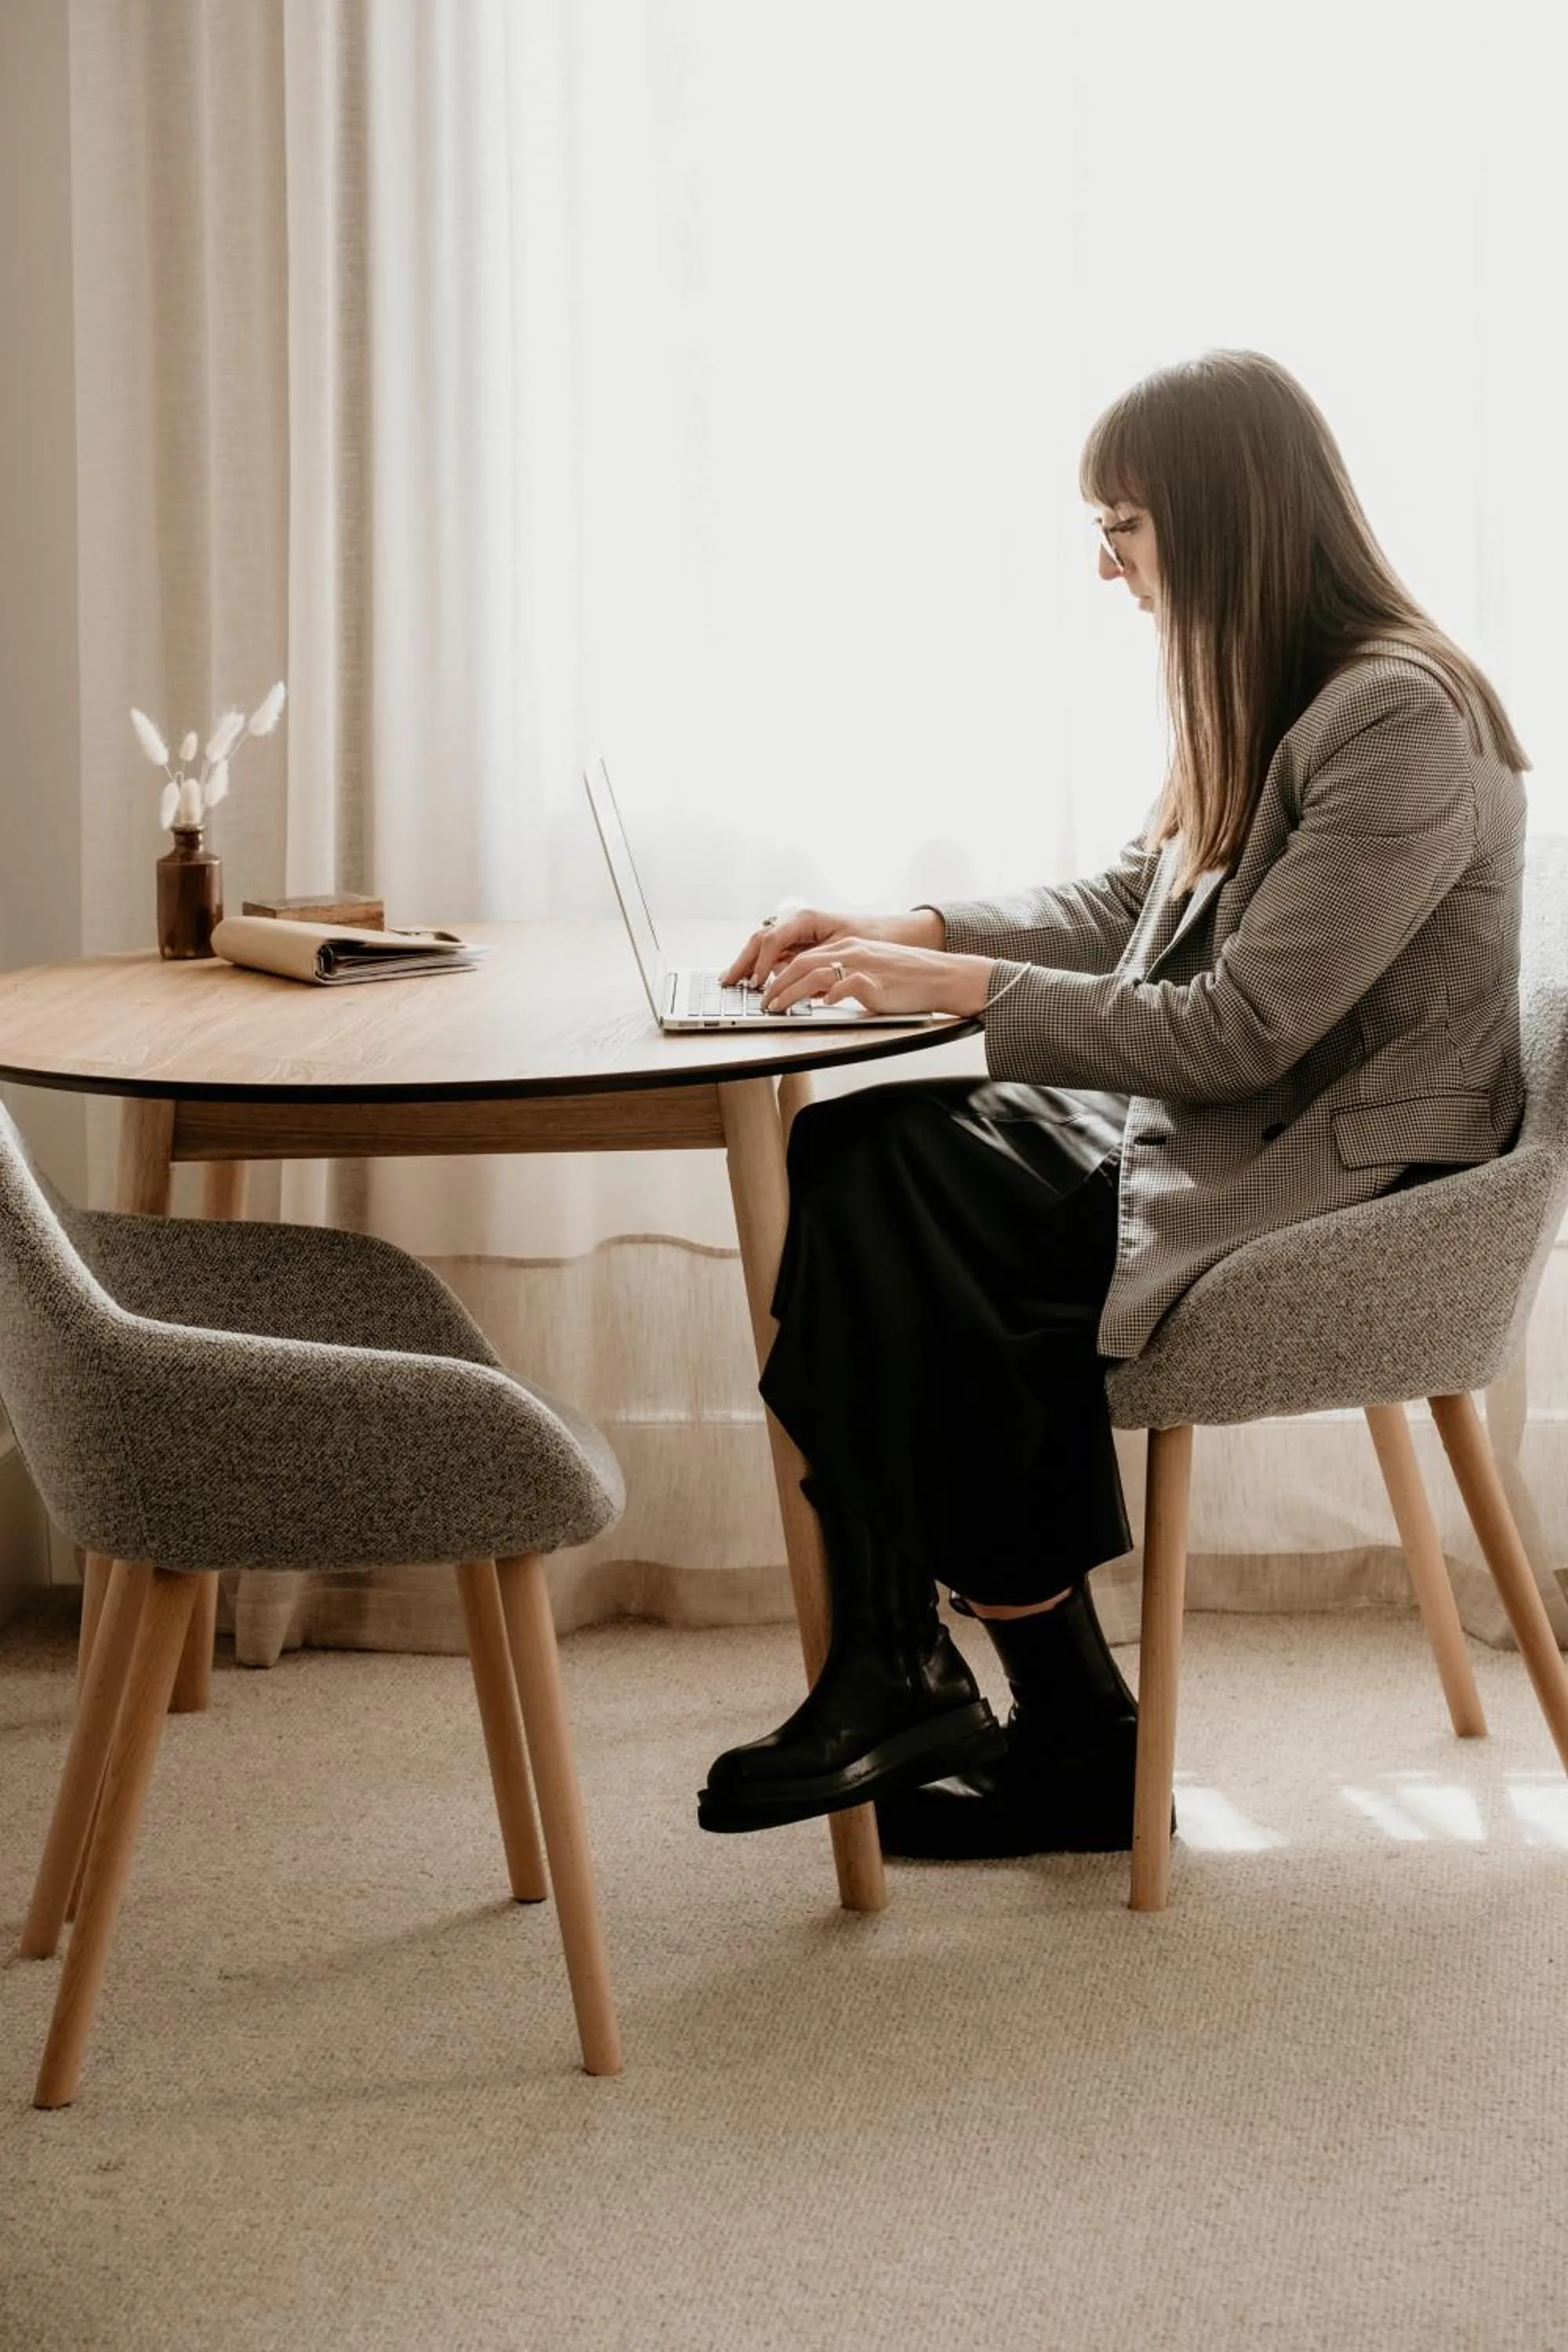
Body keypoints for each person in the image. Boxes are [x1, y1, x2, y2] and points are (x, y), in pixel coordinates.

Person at [696, 349, 1530, 1861]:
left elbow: (1242, 1032)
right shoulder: (1275, 690)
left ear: (1225, 520)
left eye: (1123, 527)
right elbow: (1133, 906)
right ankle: (981, 1693)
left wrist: (950, 989)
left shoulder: (1397, 721)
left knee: (906, 1206)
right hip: (1248, 1124)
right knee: (862, 1152)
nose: (1105, 567)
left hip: (1347, 1170)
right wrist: (906, 928)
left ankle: (973, 1687)